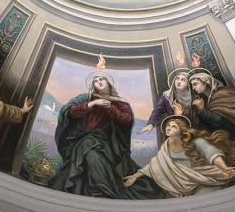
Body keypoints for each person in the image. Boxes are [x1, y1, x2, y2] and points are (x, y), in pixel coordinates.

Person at [48, 71, 167, 199]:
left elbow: (126, 120)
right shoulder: (87, 98)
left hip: (109, 145)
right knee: (89, 150)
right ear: (93, 86)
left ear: (108, 83)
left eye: (102, 79)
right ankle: (100, 190)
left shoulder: (120, 103)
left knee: (94, 153)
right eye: (96, 80)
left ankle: (103, 190)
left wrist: (110, 107)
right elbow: (70, 111)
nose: (99, 81)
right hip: (83, 139)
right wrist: (92, 104)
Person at [123, 115, 235, 197]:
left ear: (182, 130)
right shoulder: (165, 149)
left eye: (173, 126)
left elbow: (212, 154)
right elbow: (154, 165)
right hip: (183, 187)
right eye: (167, 126)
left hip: (203, 180)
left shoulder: (196, 142)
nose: (169, 128)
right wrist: (135, 175)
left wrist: (223, 167)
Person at [138, 68, 192, 135]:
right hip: (174, 130)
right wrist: (151, 124)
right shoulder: (167, 96)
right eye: (177, 78)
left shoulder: (194, 97)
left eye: (183, 80)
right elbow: (157, 110)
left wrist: (182, 114)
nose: (179, 82)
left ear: (188, 84)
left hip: (190, 129)